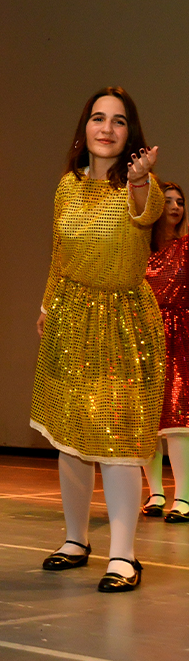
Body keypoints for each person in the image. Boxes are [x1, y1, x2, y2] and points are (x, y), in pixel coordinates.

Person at [31, 87, 164, 592]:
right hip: (69, 319)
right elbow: (57, 254)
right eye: (98, 118)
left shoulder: (139, 184)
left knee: (118, 439)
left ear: (132, 134)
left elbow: (146, 212)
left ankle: (124, 556)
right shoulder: (67, 185)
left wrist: (138, 180)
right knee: (69, 436)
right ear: (84, 127)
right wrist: (47, 306)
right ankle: (75, 540)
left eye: (119, 121)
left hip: (124, 324)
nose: (107, 128)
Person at [141, 181, 189, 522]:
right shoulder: (138, 248)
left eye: (180, 202)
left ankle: (184, 497)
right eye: (168, 201)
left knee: (178, 419)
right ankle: (155, 492)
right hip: (144, 336)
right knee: (146, 421)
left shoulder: (186, 246)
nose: (175, 207)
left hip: (180, 337)